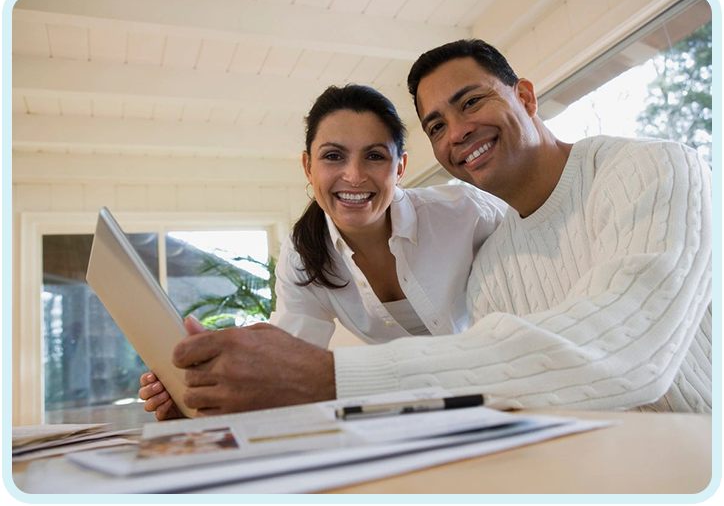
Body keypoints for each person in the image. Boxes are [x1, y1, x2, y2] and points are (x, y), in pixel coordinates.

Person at [146, 39, 712, 417]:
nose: (458, 132)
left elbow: (627, 350)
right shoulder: (495, 260)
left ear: (526, 95)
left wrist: (336, 377)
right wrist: (215, 387)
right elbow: (501, 388)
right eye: (438, 124)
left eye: (472, 102)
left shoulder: (651, 167)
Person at [139, 84, 506, 419]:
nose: (354, 175)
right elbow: (286, 373)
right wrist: (197, 392)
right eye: (333, 157)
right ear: (307, 167)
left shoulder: (467, 213)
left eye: (375, 156)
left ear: (401, 168)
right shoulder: (303, 256)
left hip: (501, 394)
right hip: (408, 417)